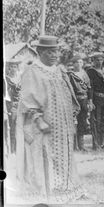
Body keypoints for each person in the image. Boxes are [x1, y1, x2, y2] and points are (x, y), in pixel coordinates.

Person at [16, 35, 81, 198]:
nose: (54, 55)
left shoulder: (59, 71)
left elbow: (68, 93)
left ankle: (66, 187)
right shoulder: (33, 72)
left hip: (62, 125)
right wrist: (38, 119)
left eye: (56, 51)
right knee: (46, 156)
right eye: (50, 52)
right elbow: (28, 99)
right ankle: (49, 190)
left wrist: (72, 113)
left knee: (63, 155)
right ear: (40, 52)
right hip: (44, 123)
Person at [67, 55, 93, 151]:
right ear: (73, 64)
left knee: (82, 121)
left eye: (81, 62)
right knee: (73, 122)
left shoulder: (84, 74)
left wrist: (90, 101)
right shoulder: (70, 75)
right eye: (77, 62)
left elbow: (89, 88)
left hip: (84, 99)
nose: (79, 64)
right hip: (74, 101)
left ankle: (81, 145)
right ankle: (73, 145)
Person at [87, 52, 104, 150]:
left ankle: (101, 142)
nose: (99, 61)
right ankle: (95, 144)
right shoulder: (90, 72)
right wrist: (90, 100)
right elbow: (90, 87)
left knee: (103, 121)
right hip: (96, 99)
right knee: (95, 121)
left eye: (101, 59)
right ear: (93, 61)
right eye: (97, 60)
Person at [5, 59, 22, 154]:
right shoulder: (6, 80)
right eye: (11, 67)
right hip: (12, 106)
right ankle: (12, 149)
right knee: (13, 127)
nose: (13, 68)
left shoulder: (20, 79)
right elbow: (6, 95)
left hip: (21, 105)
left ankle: (20, 149)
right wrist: (11, 105)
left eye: (15, 66)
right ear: (9, 68)